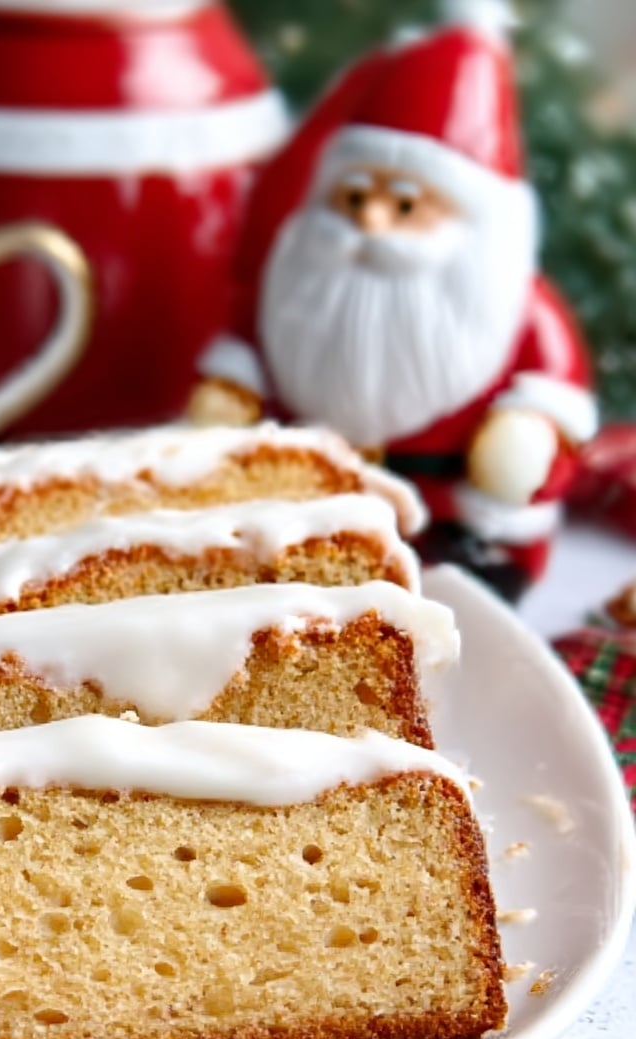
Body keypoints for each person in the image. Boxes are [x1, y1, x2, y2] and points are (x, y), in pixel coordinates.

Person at [195, 0, 597, 598]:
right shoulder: (295, 276)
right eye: (353, 200)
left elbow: (556, 401)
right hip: (299, 512)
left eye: (405, 206)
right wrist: (232, 391)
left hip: (450, 529)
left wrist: (526, 439)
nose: (371, 223)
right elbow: (245, 348)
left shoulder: (512, 304)